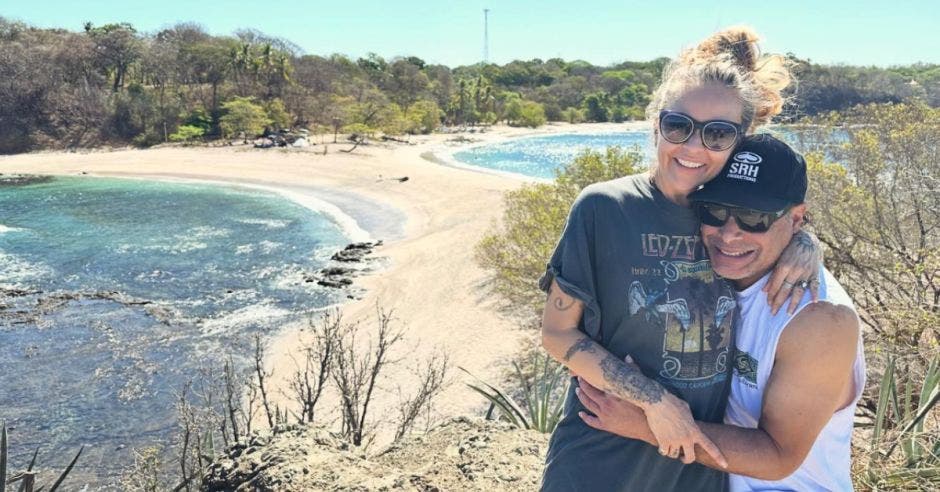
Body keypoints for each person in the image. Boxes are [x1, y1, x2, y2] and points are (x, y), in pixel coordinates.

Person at [539, 27, 821, 491]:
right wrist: (656, 402)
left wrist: (807, 242)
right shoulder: (604, 208)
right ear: (656, 125)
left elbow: (787, 220)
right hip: (598, 464)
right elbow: (556, 334)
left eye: (717, 134)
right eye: (678, 126)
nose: (692, 147)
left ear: (740, 142)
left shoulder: (735, 228)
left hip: (696, 473)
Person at [575, 134, 865, 491]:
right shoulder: (715, 270)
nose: (729, 234)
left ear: (796, 218)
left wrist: (645, 422)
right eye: (714, 210)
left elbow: (779, 456)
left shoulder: (818, 319)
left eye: (753, 217)